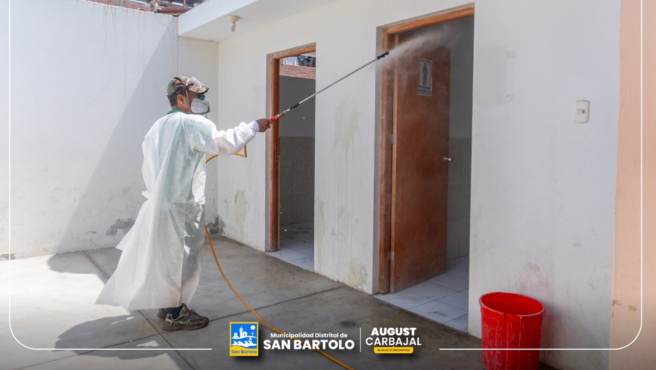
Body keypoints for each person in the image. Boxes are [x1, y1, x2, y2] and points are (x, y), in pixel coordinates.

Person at [96, 76, 273, 331]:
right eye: (197, 96)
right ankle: (176, 314)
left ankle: (167, 304)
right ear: (181, 97)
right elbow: (224, 143)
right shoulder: (191, 122)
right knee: (182, 261)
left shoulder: (158, 126)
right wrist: (254, 126)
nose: (202, 101)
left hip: (162, 204)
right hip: (182, 206)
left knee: (167, 259)